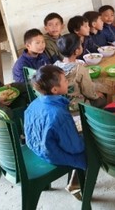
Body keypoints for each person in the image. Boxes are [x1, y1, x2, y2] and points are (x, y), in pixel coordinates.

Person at [24, 65, 85, 197]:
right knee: (91, 151)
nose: (67, 82)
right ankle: (77, 185)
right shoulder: (59, 114)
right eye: (65, 81)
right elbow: (75, 148)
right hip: (51, 154)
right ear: (55, 89)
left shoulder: (34, 103)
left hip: (34, 147)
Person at [54, 33, 106, 111]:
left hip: (60, 103)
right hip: (76, 106)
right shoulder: (80, 69)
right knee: (102, 99)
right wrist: (96, 95)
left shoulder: (54, 66)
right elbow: (88, 92)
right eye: (81, 45)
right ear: (77, 51)